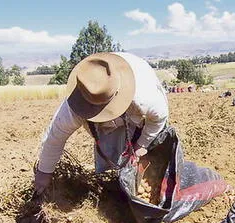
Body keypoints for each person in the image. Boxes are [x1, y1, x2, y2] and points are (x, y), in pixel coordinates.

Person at [33, 52, 168, 197]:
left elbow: (158, 119)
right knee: (109, 149)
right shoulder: (75, 104)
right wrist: (44, 173)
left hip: (137, 111)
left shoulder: (144, 96)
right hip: (106, 120)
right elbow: (54, 139)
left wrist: (142, 144)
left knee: (149, 150)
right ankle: (116, 184)